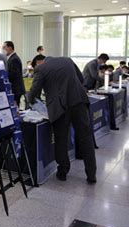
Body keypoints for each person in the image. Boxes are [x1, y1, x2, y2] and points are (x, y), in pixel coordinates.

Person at [28, 54, 97, 184]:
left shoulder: (41, 69)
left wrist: (30, 101)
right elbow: (81, 79)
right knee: (85, 138)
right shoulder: (67, 60)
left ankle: (63, 171)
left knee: (61, 139)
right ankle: (91, 174)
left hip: (59, 107)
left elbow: (33, 92)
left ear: (39, 62)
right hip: (79, 102)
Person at [3, 41, 26, 106]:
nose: (3, 49)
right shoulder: (10, 58)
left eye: (4, 47)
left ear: (10, 48)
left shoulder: (14, 59)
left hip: (15, 89)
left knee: (15, 108)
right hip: (14, 88)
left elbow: (14, 74)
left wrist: (4, 76)